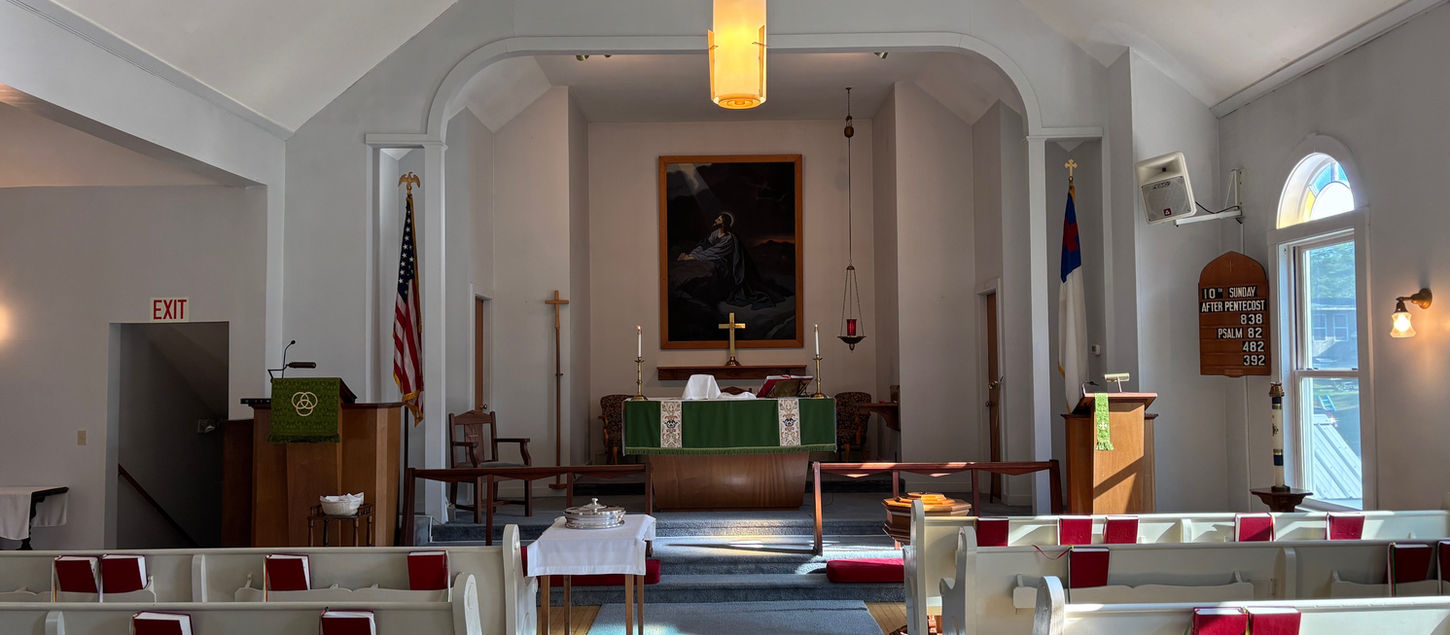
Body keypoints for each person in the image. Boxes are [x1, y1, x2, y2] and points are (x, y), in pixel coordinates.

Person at [676, 211, 781, 309]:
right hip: (712, 256)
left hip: (724, 262)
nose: (716, 220)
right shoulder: (714, 234)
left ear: (724, 223)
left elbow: (714, 252)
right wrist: (691, 254)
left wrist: (691, 257)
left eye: (719, 219)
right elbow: (704, 246)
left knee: (717, 269)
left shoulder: (729, 239)